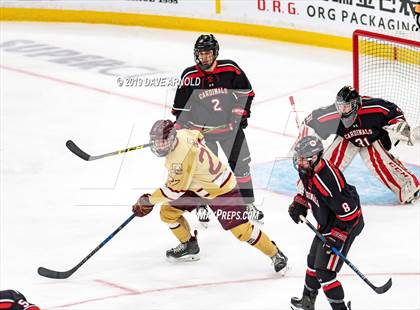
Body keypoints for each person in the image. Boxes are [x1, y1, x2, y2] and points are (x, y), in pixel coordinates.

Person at [131, 120, 287, 272]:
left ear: (172, 138)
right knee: (168, 212)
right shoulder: (183, 133)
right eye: (156, 142)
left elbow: (172, 191)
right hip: (196, 184)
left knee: (242, 231)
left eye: (162, 142)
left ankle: (275, 254)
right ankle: (189, 245)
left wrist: (148, 200)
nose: (158, 145)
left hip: (222, 190)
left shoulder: (179, 160)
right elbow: (198, 134)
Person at [171, 34, 264, 223]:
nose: (204, 58)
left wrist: (239, 116)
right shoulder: (189, 77)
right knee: (202, 172)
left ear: (215, 53)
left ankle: (248, 203)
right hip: (202, 136)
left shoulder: (230, 70)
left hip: (230, 131)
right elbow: (181, 110)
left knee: (241, 168)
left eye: (208, 53)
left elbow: (247, 93)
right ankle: (203, 205)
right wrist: (178, 131)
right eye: (201, 54)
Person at [298, 85, 419, 204]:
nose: (342, 110)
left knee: (378, 162)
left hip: (373, 138)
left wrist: (399, 123)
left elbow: (394, 112)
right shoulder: (333, 114)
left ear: (355, 104)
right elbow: (310, 121)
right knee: (330, 163)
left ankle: (408, 185)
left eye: (346, 106)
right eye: (340, 106)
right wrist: (305, 140)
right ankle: (311, 185)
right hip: (347, 139)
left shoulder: (374, 107)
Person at [288, 135, 364, 310]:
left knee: (325, 271)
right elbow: (308, 190)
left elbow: (351, 212)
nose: (299, 162)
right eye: (298, 157)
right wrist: (300, 203)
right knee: (312, 260)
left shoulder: (328, 180)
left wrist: (338, 236)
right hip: (327, 224)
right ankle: (307, 302)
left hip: (345, 225)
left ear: (314, 158)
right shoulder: (307, 170)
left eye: (302, 158)